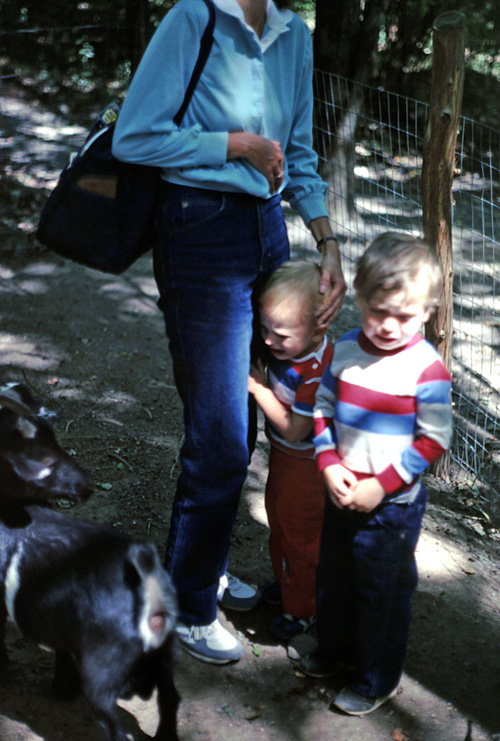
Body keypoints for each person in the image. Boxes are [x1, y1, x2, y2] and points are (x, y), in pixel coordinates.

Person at [112, 0, 346, 665]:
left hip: (268, 231)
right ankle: (187, 604)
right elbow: (135, 135)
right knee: (218, 429)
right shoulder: (194, 18)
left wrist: (325, 240)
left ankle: (202, 564)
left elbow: (296, 151)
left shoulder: (293, 33)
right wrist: (235, 145)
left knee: (244, 418)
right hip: (199, 227)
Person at [300, 233, 453, 714]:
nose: (388, 326)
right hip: (341, 489)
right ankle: (335, 652)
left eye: (404, 316)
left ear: (427, 312)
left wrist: (379, 486)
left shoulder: (426, 370)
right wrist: (327, 463)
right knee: (335, 578)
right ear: (360, 299)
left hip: (391, 508)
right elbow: (321, 408)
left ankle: (375, 678)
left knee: (381, 592)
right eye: (377, 311)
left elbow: (432, 440)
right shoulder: (345, 349)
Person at [248, 260, 333, 640]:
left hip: (308, 469)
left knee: (300, 538)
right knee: (278, 525)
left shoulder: (317, 372)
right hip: (284, 461)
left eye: (280, 334)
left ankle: (303, 610)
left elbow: (297, 430)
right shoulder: (289, 352)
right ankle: (287, 587)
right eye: (264, 329)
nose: (268, 341)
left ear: (320, 326)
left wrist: (259, 390)